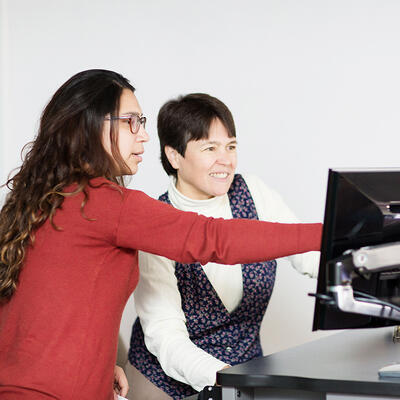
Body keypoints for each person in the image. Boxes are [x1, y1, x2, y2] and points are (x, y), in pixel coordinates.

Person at [0, 70, 321, 400]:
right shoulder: (106, 203)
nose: (143, 136)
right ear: (92, 126)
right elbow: (215, 239)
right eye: (131, 122)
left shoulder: (42, 198)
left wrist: (97, 361)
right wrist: (330, 234)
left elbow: (32, 308)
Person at [127, 93, 321, 400]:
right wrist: (226, 379)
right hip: (166, 381)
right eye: (210, 148)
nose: (226, 160)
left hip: (244, 374)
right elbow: (165, 335)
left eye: (231, 146)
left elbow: (309, 256)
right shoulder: (157, 224)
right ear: (175, 156)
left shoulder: (254, 193)